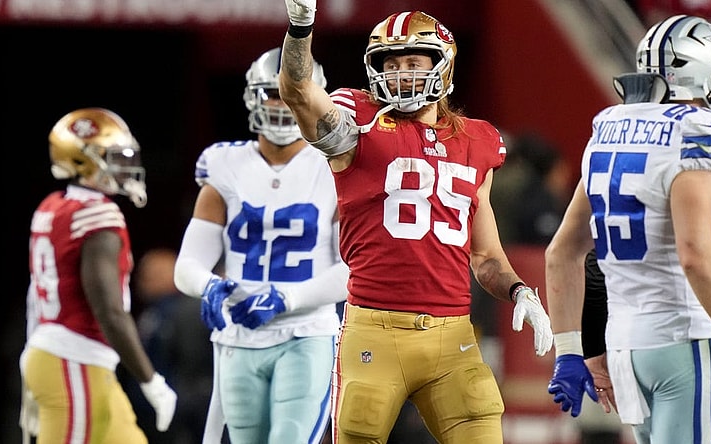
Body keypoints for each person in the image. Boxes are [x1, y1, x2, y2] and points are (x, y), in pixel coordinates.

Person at [278, 3, 554, 443]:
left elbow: (484, 257)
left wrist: (520, 290)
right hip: (375, 332)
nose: (401, 73)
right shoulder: (358, 123)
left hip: (453, 336)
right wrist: (301, 28)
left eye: (412, 62)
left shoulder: (477, 140)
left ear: (442, 66)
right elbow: (296, 89)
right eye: (391, 63)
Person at [544, 15, 711, 444]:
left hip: (627, 349)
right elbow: (695, 255)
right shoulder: (700, 132)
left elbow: (562, 252)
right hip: (687, 340)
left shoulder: (608, 128)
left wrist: (570, 351)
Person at [173, 46, 348, 444]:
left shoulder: (334, 167)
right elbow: (188, 265)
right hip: (240, 334)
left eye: (292, 94)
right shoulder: (225, 165)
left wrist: (286, 299)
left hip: (306, 332)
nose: (283, 104)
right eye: (273, 93)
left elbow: (353, 268)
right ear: (253, 96)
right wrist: (210, 286)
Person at [20, 108, 177, 443]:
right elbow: (110, 312)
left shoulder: (52, 206)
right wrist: (151, 380)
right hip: (72, 360)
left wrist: (31, 352)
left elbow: (36, 295)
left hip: (68, 359)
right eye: (115, 156)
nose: (125, 165)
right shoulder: (98, 216)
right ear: (83, 161)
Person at [120, 247, 213, 444]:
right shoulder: (150, 312)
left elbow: (193, 364)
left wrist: (185, 402)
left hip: (180, 410)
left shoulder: (191, 310)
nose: (144, 281)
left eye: (153, 274)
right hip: (150, 409)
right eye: (143, 275)